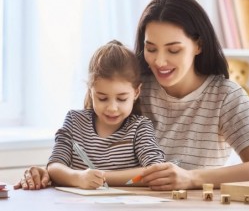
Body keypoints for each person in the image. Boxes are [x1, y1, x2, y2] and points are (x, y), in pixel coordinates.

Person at [14, 0, 249, 191]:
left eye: (174, 50)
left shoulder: (225, 96)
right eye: (151, 48)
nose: (159, 61)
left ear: (198, 45)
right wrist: (48, 172)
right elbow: (88, 147)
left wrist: (192, 178)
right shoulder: (133, 86)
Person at [15, 40, 166, 190]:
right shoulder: (75, 121)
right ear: (90, 91)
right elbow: (55, 166)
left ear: (136, 92)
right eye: (102, 98)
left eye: (121, 99)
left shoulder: (139, 127)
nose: (112, 108)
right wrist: (78, 178)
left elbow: (156, 170)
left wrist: (102, 177)